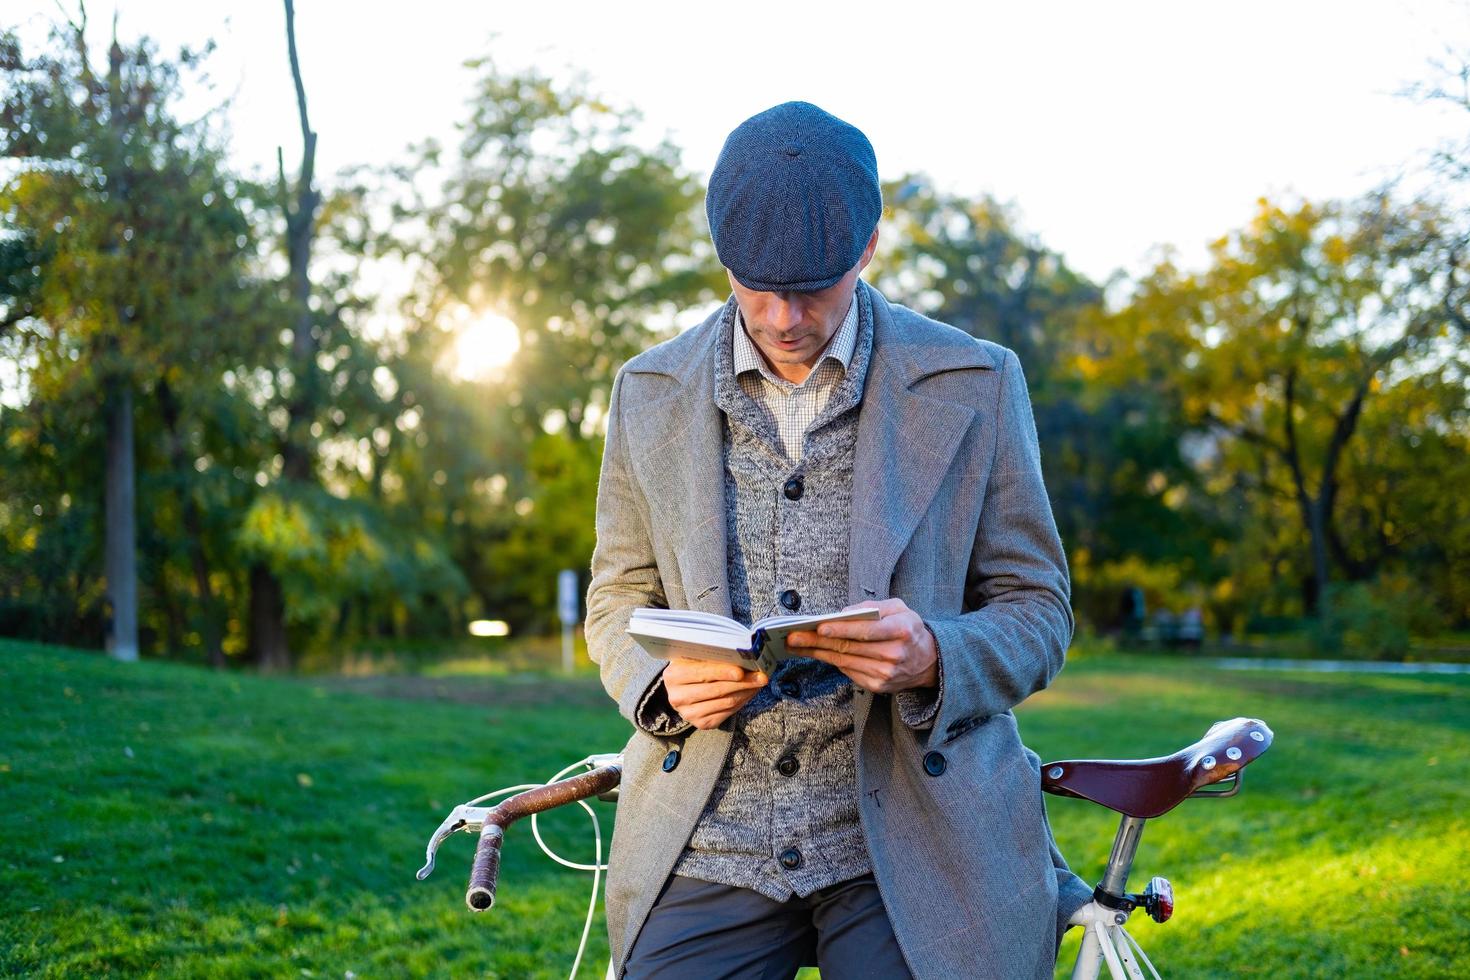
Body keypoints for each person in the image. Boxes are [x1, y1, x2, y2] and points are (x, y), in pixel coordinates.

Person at [585, 101, 1091, 980]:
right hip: (709, 831)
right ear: (722, 259)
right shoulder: (646, 390)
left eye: (813, 287)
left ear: (868, 247)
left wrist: (938, 652)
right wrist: (659, 685)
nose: (784, 318)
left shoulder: (977, 380)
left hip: (912, 836)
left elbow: (1038, 607)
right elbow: (616, 595)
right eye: (758, 287)